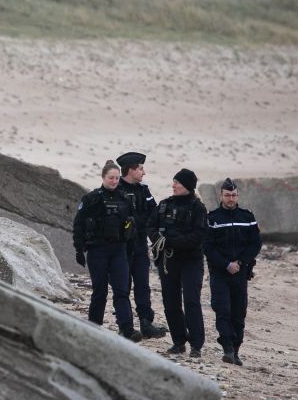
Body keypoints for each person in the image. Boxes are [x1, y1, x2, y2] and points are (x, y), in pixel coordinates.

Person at [72, 160, 143, 342]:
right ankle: (93, 327)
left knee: (121, 290)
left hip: (119, 250)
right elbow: (78, 225)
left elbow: (133, 226)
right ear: (103, 177)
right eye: (111, 178)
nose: (114, 181)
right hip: (98, 250)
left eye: (117, 178)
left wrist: (131, 249)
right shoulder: (91, 199)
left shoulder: (125, 199)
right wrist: (79, 249)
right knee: (100, 291)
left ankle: (127, 329)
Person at [147, 168, 208, 358]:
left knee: (191, 302)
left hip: (191, 262)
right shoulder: (164, 205)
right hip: (168, 261)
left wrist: (172, 241)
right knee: (170, 303)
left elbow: (198, 236)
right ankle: (178, 342)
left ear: (188, 186)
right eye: (173, 182)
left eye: (177, 183)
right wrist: (159, 239)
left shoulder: (198, 208)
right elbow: (151, 226)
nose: (173, 185)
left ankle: (196, 345)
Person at [205, 178, 262, 366]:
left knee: (239, 313)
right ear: (221, 196)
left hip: (240, 272)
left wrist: (240, 262)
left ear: (238, 196)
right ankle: (227, 348)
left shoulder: (247, 217)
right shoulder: (213, 218)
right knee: (222, 310)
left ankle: (236, 350)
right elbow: (208, 247)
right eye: (227, 195)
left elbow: (255, 243)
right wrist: (225, 264)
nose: (231, 199)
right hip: (220, 273)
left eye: (234, 195)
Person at [116, 151, 168, 339]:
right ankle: (125, 326)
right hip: (121, 248)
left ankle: (146, 323)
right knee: (123, 287)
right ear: (130, 170)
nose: (143, 172)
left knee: (143, 285)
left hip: (139, 246)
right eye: (140, 168)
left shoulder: (143, 191)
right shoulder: (116, 189)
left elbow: (154, 214)